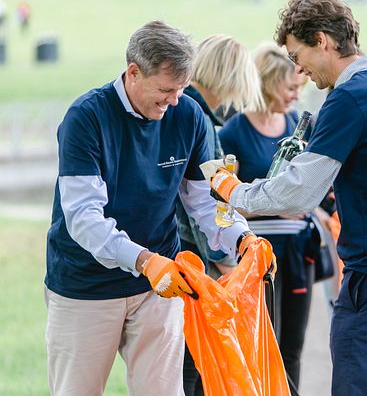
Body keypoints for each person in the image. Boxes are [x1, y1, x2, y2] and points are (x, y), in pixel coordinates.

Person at [210, 0, 367, 396]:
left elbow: (298, 194)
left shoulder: (349, 98)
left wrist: (232, 190)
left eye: (298, 54)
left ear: (323, 41)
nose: (297, 68)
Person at [44, 21, 254, 396]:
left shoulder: (189, 116)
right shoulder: (86, 118)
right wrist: (144, 261)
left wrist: (242, 238)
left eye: (180, 90)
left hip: (159, 287)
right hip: (85, 285)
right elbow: (84, 219)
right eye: (165, 90)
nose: (174, 101)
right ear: (133, 73)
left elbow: (205, 201)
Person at [218, 42, 319, 390]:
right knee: (262, 345)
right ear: (267, 84)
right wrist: (278, 206)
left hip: (297, 252)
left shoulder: (297, 126)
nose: (295, 96)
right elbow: (223, 201)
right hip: (256, 252)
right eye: (290, 88)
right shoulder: (232, 133)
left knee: (293, 347)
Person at [177, 34, 263, 396]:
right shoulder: (201, 124)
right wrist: (228, 259)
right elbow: (204, 205)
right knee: (194, 368)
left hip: (176, 257)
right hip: (193, 261)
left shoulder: (181, 111)